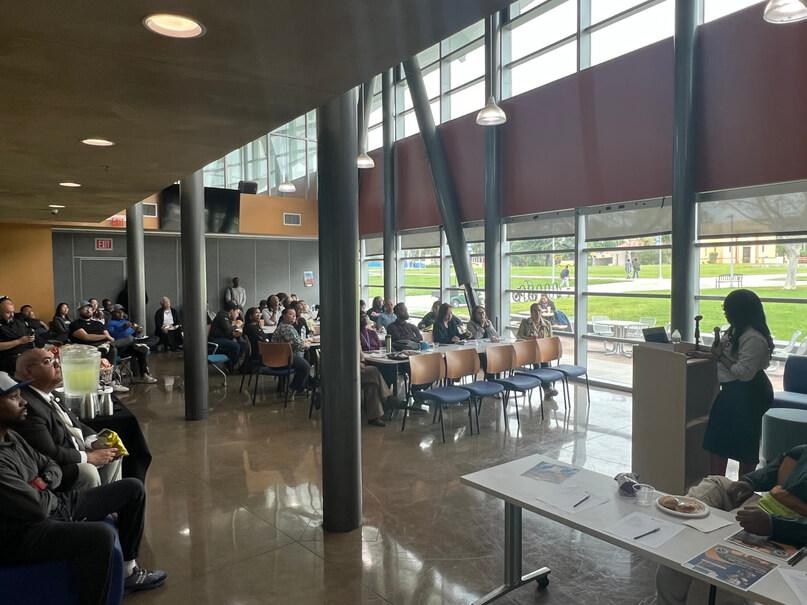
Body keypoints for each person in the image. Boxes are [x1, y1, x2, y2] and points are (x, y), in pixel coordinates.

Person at [0, 372, 167, 602]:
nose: (23, 401)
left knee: (132, 489)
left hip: (55, 504)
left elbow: (50, 465)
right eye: (13, 397)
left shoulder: (11, 437)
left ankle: (128, 571)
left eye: (21, 395)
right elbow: (36, 508)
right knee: (101, 536)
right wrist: (44, 488)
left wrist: (42, 482)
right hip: (23, 533)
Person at [656, 444, 807, 605]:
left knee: (711, 575)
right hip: (762, 506)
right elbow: (778, 468)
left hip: (787, 528)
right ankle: (683, 524)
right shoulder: (802, 450)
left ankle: (702, 544)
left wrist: (774, 525)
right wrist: (749, 482)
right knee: (715, 482)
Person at [14, 349, 121, 490]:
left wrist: (94, 441)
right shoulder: (28, 406)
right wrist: (88, 457)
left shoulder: (51, 393)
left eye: (55, 359)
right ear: (28, 372)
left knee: (112, 451)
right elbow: (49, 453)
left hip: (74, 453)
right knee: (88, 471)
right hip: (54, 469)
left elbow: (75, 424)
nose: (57, 364)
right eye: (47, 361)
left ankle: (109, 499)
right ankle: (94, 502)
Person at [695, 289, 774, 477]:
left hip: (750, 393)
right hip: (733, 391)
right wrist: (708, 354)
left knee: (745, 444)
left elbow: (743, 373)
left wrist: (719, 356)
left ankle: (742, 488)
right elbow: (729, 357)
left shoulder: (754, 338)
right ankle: (717, 485)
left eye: (728, 310)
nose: (726, 314)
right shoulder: (736, 330)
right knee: (717, 442)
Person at [516, 303, 558, 396]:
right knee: (538, 363)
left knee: (545, 363)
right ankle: (547, 388)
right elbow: (519, 336)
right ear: (531, 312)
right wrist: (529, 339)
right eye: (534, 311)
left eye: (539, 310)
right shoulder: (525, 322)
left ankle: (547, 388)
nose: (537, 313)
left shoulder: (547, 324)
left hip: (543, 351)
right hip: (529, 351)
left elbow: (550, 340)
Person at [107, 306, 157, 384]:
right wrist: (123, 328)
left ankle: (144, 375)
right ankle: (139, 343)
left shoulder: (125, 321)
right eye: (118, 312)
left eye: (122, 312)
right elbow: (113, 334)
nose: (121, 313)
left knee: (144, 348)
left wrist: (137, 330)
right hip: (120, 347)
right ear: (113, 313)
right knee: (130, 339)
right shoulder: (110, 323)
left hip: (130, 345)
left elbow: (133, 333)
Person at [271, 307, 311, 395]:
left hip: (277, 356)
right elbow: (299, 344)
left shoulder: (282, 326)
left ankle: (302, 386)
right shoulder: (286, 328)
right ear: (284, 316)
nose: (293, 316)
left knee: (305, 358)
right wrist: (306, 345)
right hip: (283, 357)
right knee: (306, 367)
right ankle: (294, 388)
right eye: (291, 314)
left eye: (294, 315)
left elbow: (295, 342)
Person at [0, 296, 36, 373]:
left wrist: (31, 337)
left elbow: (28, 334)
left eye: (12, 312)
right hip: (8, 359)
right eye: (7, 313)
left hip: (26, 353)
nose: (11, 315)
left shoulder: (18, 322)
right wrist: (19, 341)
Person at [209, 301, 248, 370]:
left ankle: (234, 366)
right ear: (232, 311)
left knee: (243, 345)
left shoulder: (226, 317)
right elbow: (228, 330)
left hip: (222, 339)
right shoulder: (222, 316)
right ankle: (230, 367)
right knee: (236, 346)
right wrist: (237, 325)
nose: (238, 315)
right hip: (215, 341)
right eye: (237, 312)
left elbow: (228, 331)